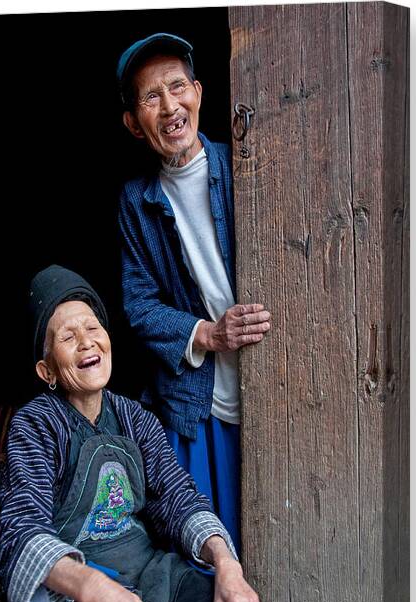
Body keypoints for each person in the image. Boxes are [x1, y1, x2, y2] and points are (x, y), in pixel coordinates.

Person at [0, 264, 270, 602]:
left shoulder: (135, 418)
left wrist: (228, 567)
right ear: (47, 371)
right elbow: (21, 529)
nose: (86, 340)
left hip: (147, 572)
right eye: (67, 337)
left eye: (92, 327)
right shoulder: (36, 424)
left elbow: (179, 499)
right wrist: (96, 590)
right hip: (75, 589)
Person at [117, 33, 271, 554]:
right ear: (133, 123)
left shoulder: (247, 170)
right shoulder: (136, 203)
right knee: (213, 553)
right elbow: (138, 306)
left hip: (279, 394)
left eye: (177, 87)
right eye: (150, 97)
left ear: (199, 93)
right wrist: (207, 332)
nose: (169, 107)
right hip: (198, 407)